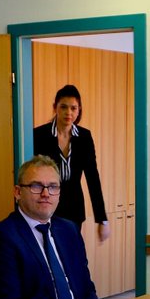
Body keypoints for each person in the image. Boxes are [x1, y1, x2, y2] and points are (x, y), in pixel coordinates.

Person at [0, 155, 102, 299]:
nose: (46, 194)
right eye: (36, 186)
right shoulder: (0, 237)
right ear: (18, 192)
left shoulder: (69, 229)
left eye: (53, 187)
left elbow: (86, 287)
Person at [32, 84, 109, 239]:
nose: (69, 112)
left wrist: (102, 219)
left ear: (79, 110)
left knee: (72, 250)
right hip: (46, 204)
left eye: (73, 108)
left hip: (74, 209)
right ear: (55, 107)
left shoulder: (84, 137)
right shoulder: (39, 135)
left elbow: (92, 177)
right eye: (63, 107)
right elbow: (31, 174)